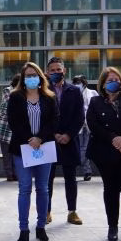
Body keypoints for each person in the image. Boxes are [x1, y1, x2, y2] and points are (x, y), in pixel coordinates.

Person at [86, 67, 121, 241]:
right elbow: (93, 125)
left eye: (117, 79)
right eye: (110, 80)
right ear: (103, 84)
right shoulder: (95, 102)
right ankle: (112, 227)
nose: (114, 83)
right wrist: (114, 139)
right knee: (110, 190)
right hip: (105, 152)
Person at [5, 62, 60, 241]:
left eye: (34, 75)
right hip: (23, 149)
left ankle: (41, 226)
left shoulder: (49, 97)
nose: (31, 78)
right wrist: (30, 139)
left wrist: (40, 138)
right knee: (25, 188)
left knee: (43, 188)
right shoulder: (15, 97)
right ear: (23, 78)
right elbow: (14, 122)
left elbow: (54, 121)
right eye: (28, 75)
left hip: (44, 148)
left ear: (40, 77)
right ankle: (23, 229)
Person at [46, 57, 85, 226]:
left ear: (64, 70)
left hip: (70, 140)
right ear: (47, 72)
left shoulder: (74, 91)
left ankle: (72, 211)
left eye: (58, 69)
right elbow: (43, 116)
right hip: (49, 140)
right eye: (52, 70)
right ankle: (46, 211)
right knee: (47, 179)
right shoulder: (43, 90)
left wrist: (68, 134)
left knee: (71, 178)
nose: (56, 72)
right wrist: (54, 134)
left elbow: (80, 116)